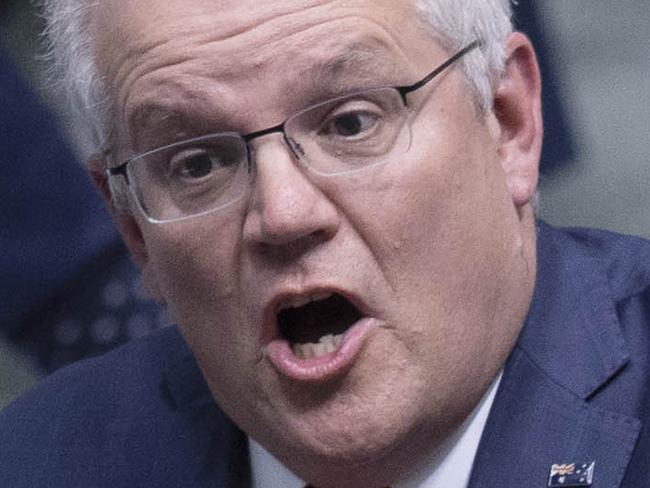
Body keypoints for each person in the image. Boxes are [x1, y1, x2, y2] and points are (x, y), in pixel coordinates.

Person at [1, 1, 648, 487]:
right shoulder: (37, 461)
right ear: (133, 229)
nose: (283, 215)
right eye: (196, 164)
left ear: (508, 122)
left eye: (350, 122)